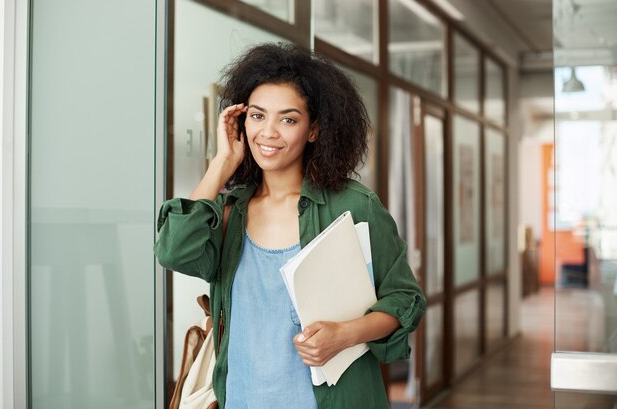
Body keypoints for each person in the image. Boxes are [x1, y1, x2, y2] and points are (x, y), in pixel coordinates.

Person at [154, 42, 425, 409]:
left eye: (288, 119)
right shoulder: (231, 212)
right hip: (242, 399)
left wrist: (344, 335)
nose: (268, 132)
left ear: (313, 130)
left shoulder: (353, 206)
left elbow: (406, 300)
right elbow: (172, 251)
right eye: (256, 115)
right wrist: (221, 163)